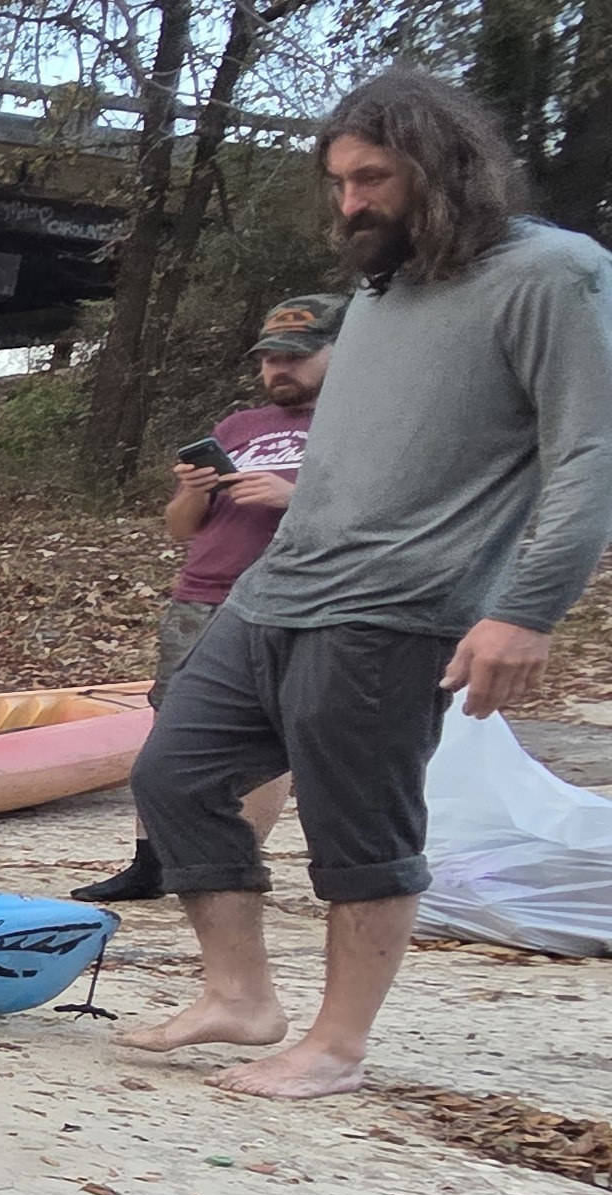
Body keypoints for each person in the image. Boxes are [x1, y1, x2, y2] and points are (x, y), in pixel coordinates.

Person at [118, 70, 612, 1099]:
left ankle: (336, 1046)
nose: (350, 205)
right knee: (173, 773)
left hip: (399, 605)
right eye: (339, 183)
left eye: (372, 178)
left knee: (358, 831)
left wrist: (523, 611)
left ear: (444, 167)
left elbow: (588, 452)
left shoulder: (553, 274)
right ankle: (239, 994)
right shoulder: (383, 294)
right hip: (277, 592)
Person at [75, 293, 346, 903]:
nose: (280, 369)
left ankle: (235, 862)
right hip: (200, 596)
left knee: (272, 734)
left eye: (297, 357)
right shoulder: (237, 428)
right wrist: (193, 490)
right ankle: (152, 862)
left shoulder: (359, 427)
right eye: (270, 358)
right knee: (171, 724)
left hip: (292, 599)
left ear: (340, 355)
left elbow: (381, 517)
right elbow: (181, 526)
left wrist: (290, 498)